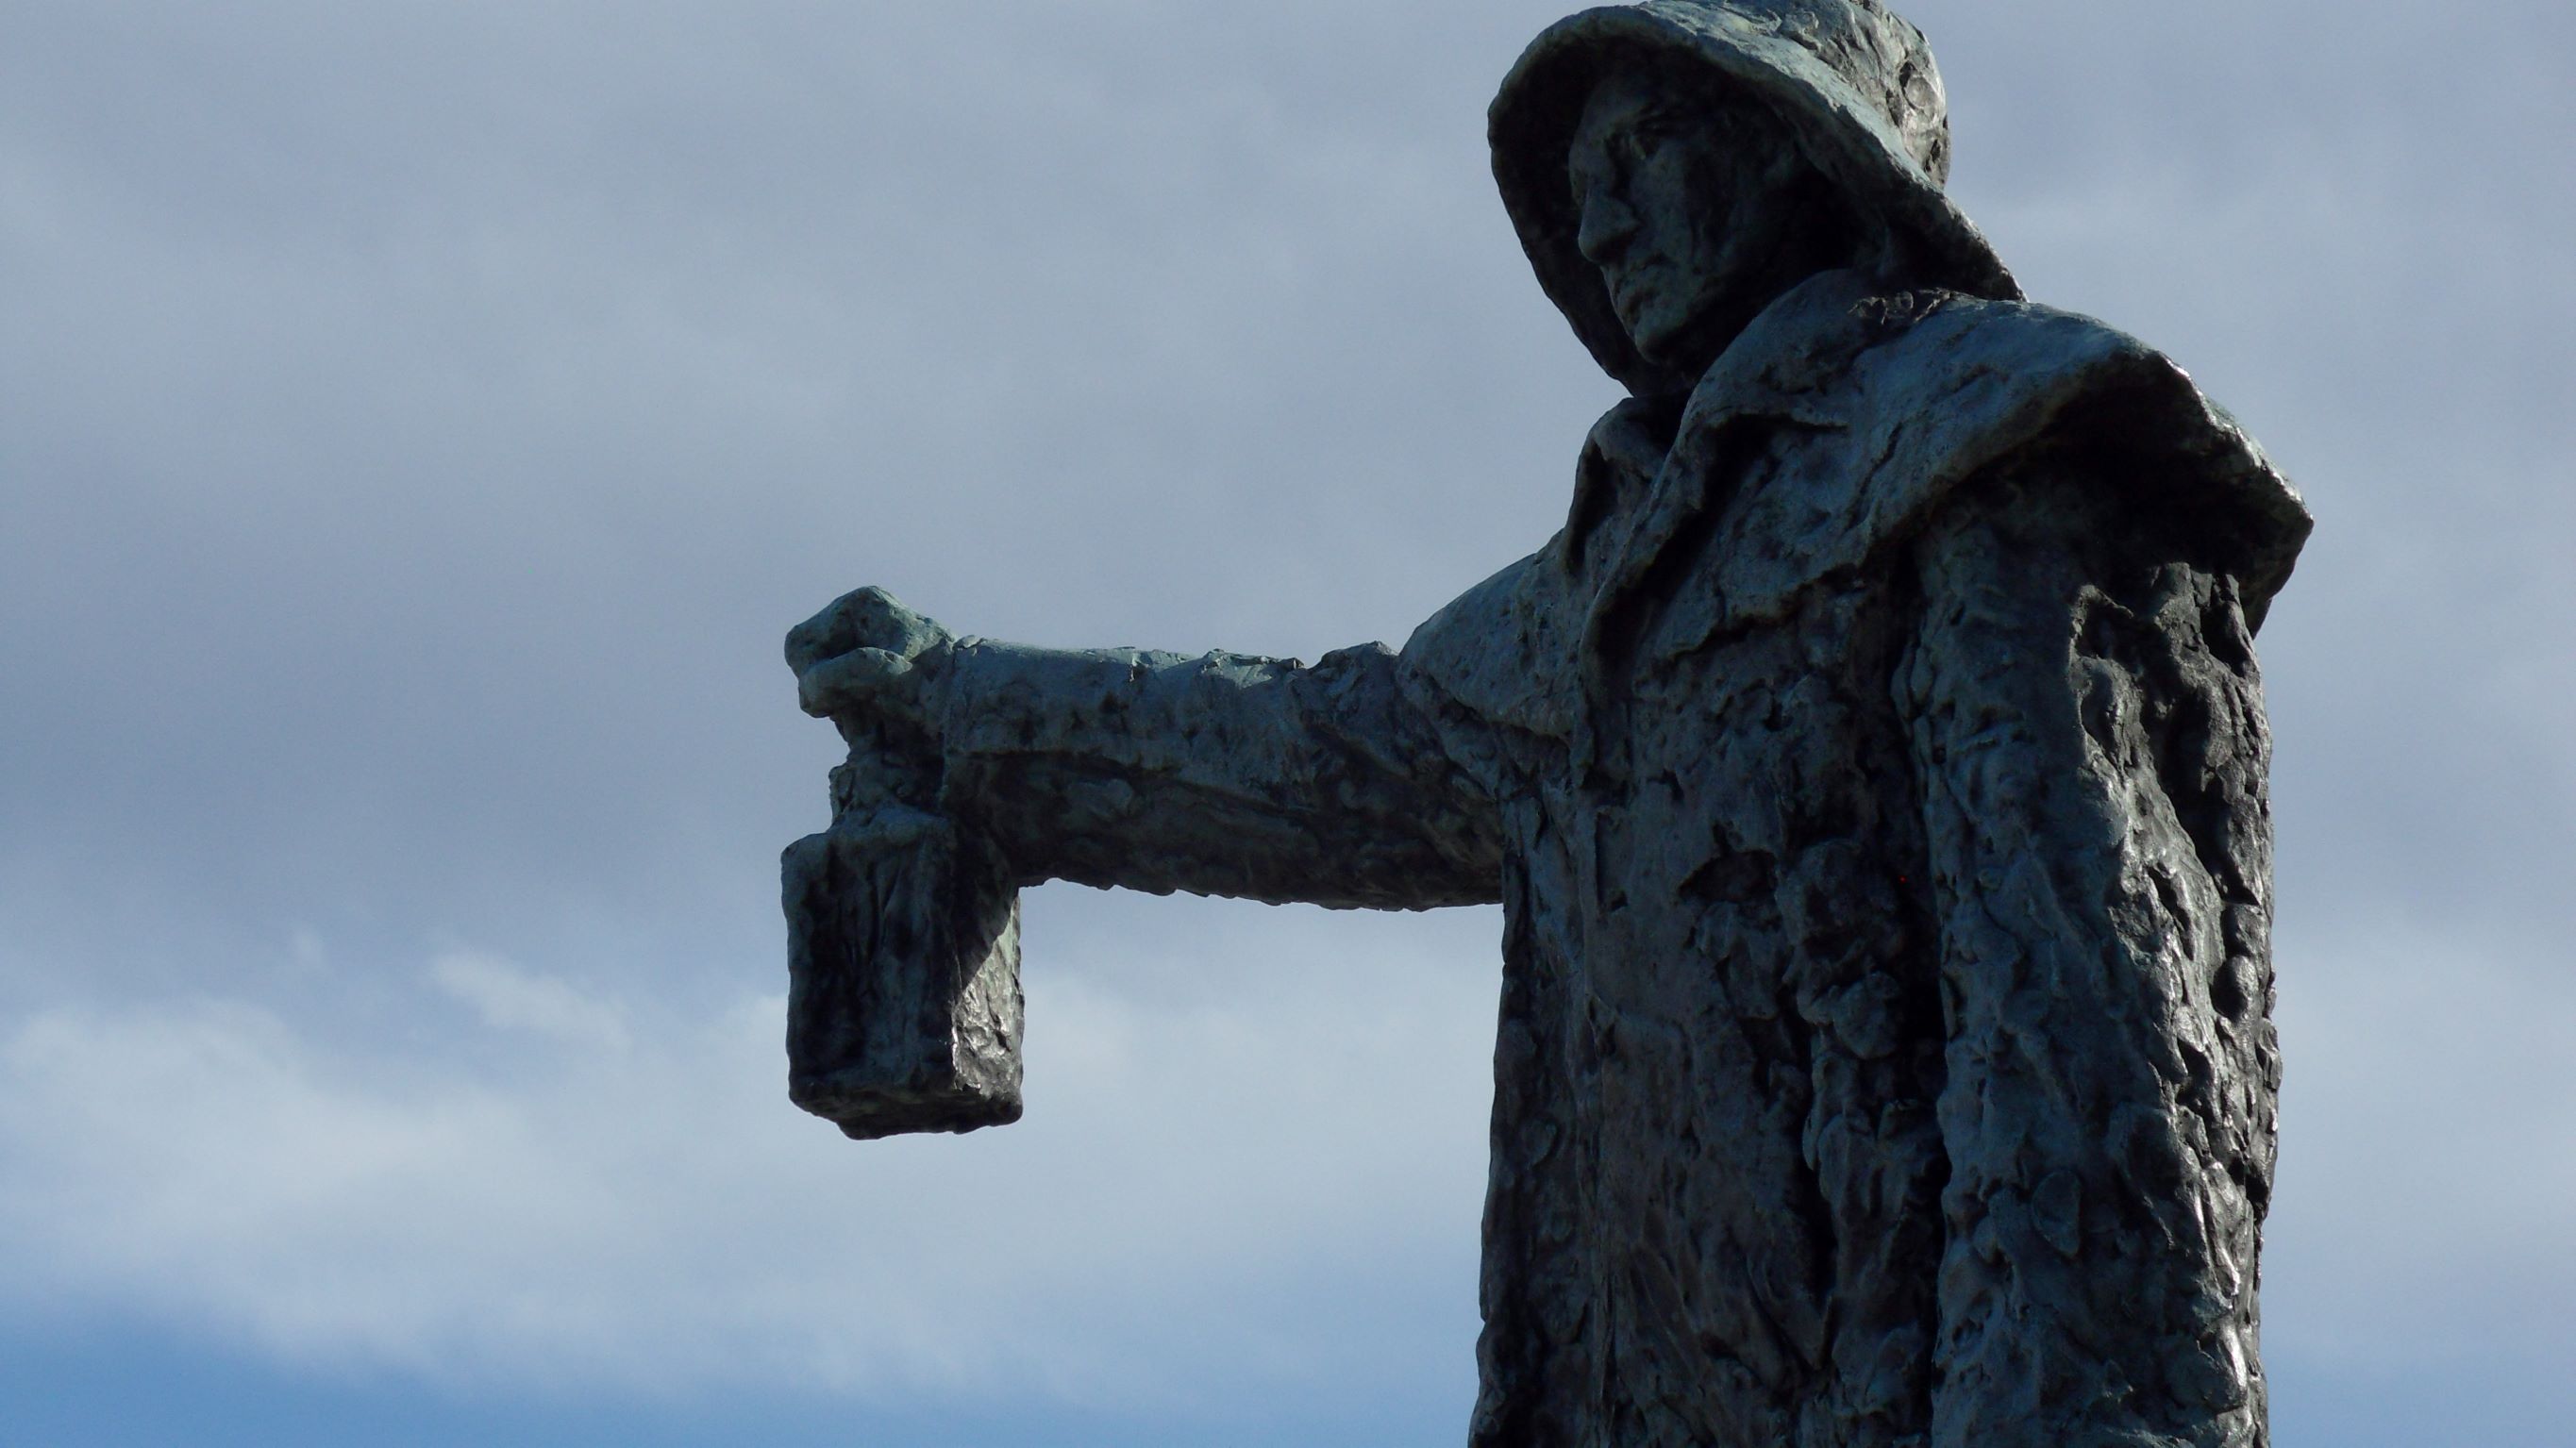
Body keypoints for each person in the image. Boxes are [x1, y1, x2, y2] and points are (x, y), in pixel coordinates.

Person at [787, 3, 2311, 1444]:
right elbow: (1319, 757)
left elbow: (2088, 1036)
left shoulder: (2000, 448)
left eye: (1642, 152)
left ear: (1801, 148)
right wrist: (956, 702)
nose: (1600, 229)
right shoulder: (1601, 586)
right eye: (1580, 190)